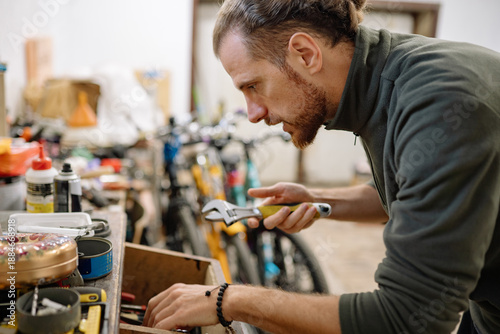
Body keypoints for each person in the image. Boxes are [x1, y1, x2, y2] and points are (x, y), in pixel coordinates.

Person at [143, 0, 500, 333]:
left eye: (254, 86)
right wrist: (318, 199)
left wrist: (230, 300)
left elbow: (406, 317)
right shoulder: (385, 78)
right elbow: (404, 191)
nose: (253, 114)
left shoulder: (440, 105)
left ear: (304, 53)